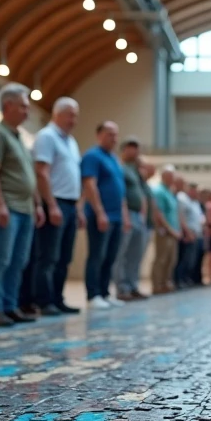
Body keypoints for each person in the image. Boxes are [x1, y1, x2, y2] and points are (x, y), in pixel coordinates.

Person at [0, 83, 42, 327]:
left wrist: (37, 205)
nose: (27, 112)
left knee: (19, 261)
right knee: (1, 259)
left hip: (25, 208)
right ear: (7, 106)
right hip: (7, 206)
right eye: (23, 106)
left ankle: (10, 304)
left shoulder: (20, 139)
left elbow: (30, 176)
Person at [27, 97, 82, 316]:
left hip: (69, 203)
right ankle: (43, 300)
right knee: (48, 255)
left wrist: (77, 208)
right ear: (57, 114)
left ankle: (57, 298)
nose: (74, 120)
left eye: (76, 115)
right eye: (71, 114)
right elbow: (42, 172)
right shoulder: (47, 137)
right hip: (55, 201)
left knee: (64, 256)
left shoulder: (71, 142)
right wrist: (51, 205)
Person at [81, 121, 128, 308]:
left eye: (116, 135)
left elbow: (120, 190)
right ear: (99, 135)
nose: (114, 138)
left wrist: (124, 215)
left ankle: (104, 292)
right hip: (101, 215)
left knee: (110, 256)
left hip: (116, 216)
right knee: (97, 255)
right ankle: (93, 295)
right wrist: (100, 212)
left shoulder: (114, 159)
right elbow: (90, 185)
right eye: (110, 134)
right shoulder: (93, 156)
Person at [114, 138, 150, 301]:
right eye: (132, 148)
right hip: (127, 213)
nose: (136, 152)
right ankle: (122, 288)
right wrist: (125, 216)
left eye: (137, 149)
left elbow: (142, 194)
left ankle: (132, 285)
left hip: (138, 215)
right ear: (124, 150)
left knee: (136, 254)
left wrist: (142, 214)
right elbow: (121, 193)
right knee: (122, 254)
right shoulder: (120, 168)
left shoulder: (135, 171)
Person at [149, 166, 182, 294]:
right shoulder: (159, 191)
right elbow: (158, 213)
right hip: (165, 231)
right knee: (161, 258)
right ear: (164, 176)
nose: (172, 179)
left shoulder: (169, 192)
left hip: (173, 231)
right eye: (170, 176)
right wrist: (170, 229)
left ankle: (165, 283)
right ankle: (157, 285)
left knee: (170, 259)